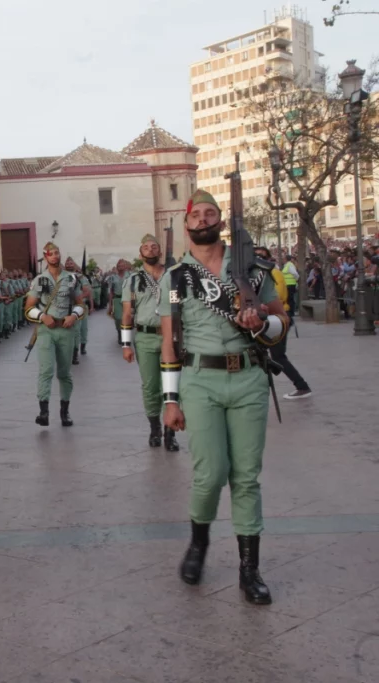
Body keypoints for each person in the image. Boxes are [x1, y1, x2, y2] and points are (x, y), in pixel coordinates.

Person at [160, 190, 288, 606]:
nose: (202, 220)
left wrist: (262, 322)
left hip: (249, 376)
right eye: (195, 215)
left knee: (247, 476)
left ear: (221, 220)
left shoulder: (251, 266)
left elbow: (280, 321)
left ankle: (249, 570)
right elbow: (168, 343)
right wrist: (171, 400)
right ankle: (199, 542)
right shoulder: (177, 278)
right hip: (200, 380)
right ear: (186, 224)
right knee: (210, 473)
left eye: (209, 213)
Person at [121, 235, 179, 452]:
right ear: (140, 253)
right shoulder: (133, 281)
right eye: (146, 247)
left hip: (170, 336)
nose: (151, 250)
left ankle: (170, 432)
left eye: (154, 246)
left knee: (171, 386)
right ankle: (155, 428)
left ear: (160, 251)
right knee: (150, 386)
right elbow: (127, 314)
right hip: (144, 337)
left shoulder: (173, 275)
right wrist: (126, 345)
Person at [24, 242, 86, 428]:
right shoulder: (39, 280)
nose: (54, 256)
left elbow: (81, 304)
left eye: (57, 252)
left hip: (66, 329)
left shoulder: (71, 279)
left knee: (64, 373)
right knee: (46, 370)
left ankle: (64, 411)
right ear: (46, 257)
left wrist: (73, 315)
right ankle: (43, 412)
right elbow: (28, 308)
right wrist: (42, 316)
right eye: (50, 254)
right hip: (45, 331)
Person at [255, 247, 313, 401]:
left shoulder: (273, 273)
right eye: (255, 255)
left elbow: (276, 296)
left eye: (262, 256)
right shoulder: (258, 274)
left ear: (269, 259)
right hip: (266, 320)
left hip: (277, 319)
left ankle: (301, 386)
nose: (258, 258)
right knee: (260, 354)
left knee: (278, 356)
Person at [65, 257, 93, 364]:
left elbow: (87, 291)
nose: (69, 264)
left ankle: (75, 353)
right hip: (63, 308)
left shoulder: (80, 277)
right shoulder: (60, 277)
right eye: (67, 262)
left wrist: (79, 299)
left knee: (78, 330)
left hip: (77, 306)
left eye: (71, 262)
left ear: (74, 265)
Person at [106, 259, 129, 345]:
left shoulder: (129, 276)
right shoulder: (113, 277)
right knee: (118, 318)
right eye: (119, 266)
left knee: (126, 318)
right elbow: (111, 291)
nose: (120, 267)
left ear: (125, 266)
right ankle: (119, 333)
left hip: (127, 299)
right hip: (117, 299)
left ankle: (125, 337)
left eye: (122, 265)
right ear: (117, 267)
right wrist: (110, 304)